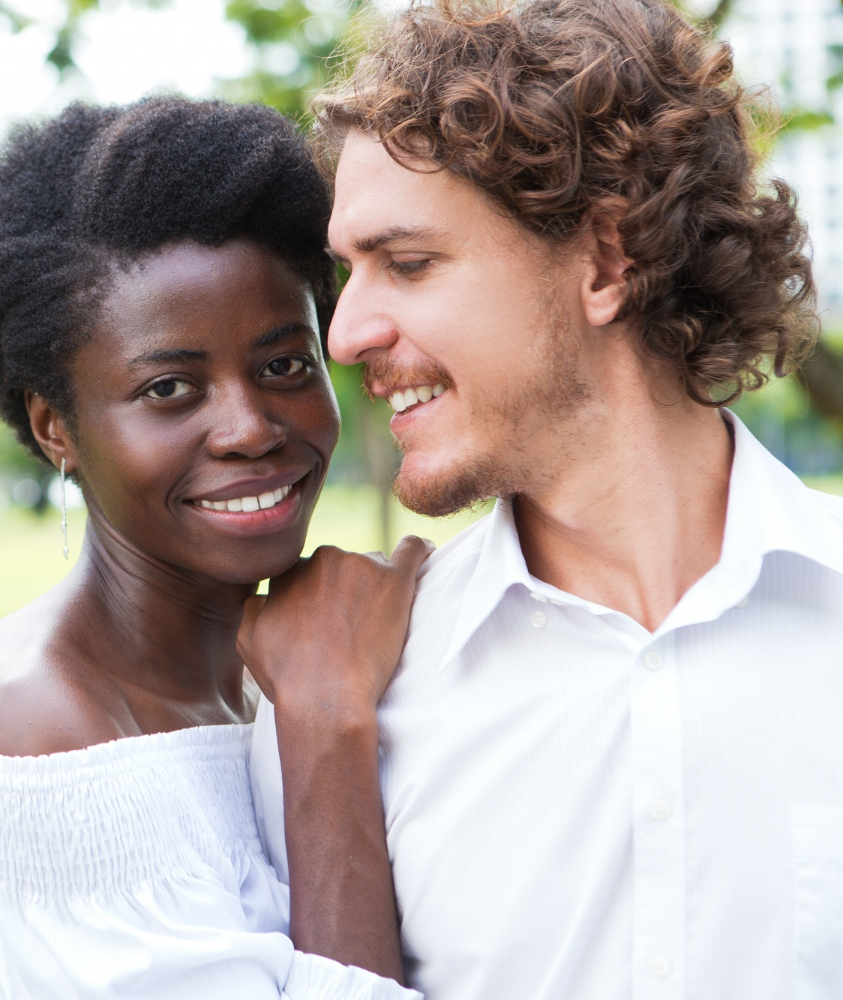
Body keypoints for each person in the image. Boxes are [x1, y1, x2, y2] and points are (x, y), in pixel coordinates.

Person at [244, 2, 841, 999]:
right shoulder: (347, 692)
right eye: (347, 273)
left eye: (408, 262)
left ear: (606, 261)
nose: (343, 334)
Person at [0, 96, 430, 999]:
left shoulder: (276, 660)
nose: (250, 427)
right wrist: (327, 720)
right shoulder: (44, 736)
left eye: (285, 365)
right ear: (56, 427)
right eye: (171, 387)